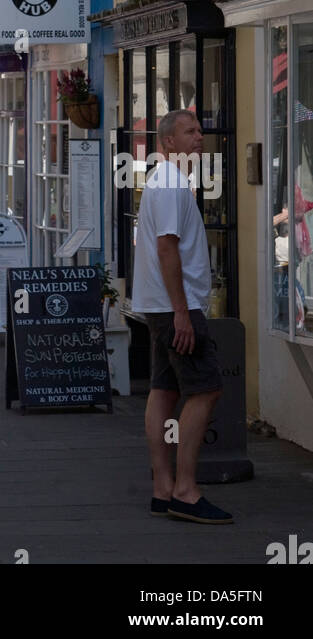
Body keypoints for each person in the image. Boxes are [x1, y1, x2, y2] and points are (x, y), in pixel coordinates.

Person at [133, 110, 231, 524]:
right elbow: (167, 248)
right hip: (176, 306)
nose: (199, 137)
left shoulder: (161, 180)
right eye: (189, 132)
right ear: (167, 142)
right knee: (206, 389)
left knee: (164, 390)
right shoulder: (171, 183)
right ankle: (186, 490)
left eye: (200, 131)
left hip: (159, 305)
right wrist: (182, 313)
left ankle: (162, 489)